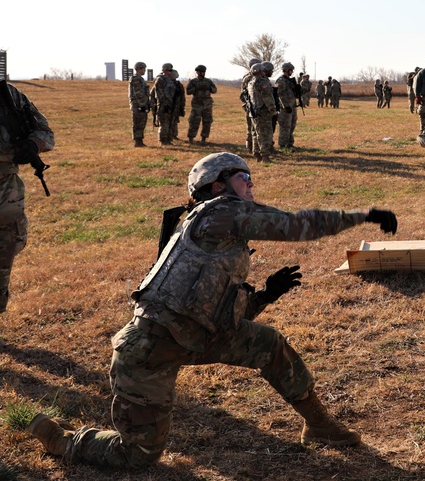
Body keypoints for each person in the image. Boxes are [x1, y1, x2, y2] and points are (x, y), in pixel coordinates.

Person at [26, 152, 398, 468]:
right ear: (218, 186)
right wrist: (363, 215)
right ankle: (64, 441)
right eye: (244, 177)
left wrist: (265, 295)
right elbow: (294, 224)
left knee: (269, 344)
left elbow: (216, 312)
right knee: (138, 455)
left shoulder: (221, 230)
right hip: (150, 350)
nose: (251, 184)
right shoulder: (217, 214)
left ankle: (319, 425)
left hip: (198, 337)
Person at [0, 80, 54, 313]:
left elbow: (44, 131)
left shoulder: (8, 95)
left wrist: (33, 144)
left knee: (5, 249)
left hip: (5, 184)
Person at [250, 62, 277, 162]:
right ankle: (265, 156)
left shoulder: (251, 82)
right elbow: (267, 98)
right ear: (260, 71)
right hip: (263, 112)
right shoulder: (262, 82)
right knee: (265, 134)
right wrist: (273, 110)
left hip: (254, 111)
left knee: (257, 133)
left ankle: (257, 154)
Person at [186, 65, 217, 144]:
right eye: (201, 72)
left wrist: (209, 88)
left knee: (207, 121)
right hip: (197, 104)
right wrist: (196, 88)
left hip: (207, 105)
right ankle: (191, 138)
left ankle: (204, 138)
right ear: (197, 72)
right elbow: (188, 91)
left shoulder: (208, 81)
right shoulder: (193, 81)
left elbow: (214, 90)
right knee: (194, 121)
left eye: (203, 72)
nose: (202, 73)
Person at [274, 62, 299, 151]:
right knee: (285, 125)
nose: (292, 72)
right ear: (287, 70)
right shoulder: (281, 81)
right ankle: (283, 144)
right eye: (290, 70)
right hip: (285, 107)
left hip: (292, 106)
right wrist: (285, 105)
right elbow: (280, 94)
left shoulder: (289, 81)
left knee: (292, 124)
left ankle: (289, 143)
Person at [240, 58, 262, 153]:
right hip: (251, 106)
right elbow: (243, 94)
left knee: (252, 128)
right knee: (251, 128)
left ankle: (251, 147)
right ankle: (251, 147)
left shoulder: (249, 77)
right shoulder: (249, 78)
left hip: (252, 105)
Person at [152, 64, 176, 145]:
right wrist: (163, 103)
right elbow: (159, 93)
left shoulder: (169, 80)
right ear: (165, 70)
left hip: (170, 104)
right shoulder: (160, 79)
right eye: (169, 70)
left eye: (171, 71)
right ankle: (162, 140)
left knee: (169, 122)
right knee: (164, 123)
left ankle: (168, 139)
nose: (170, 72)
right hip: (163, 104)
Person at [129, 62, 150, 148]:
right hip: (138, 105)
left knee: (142, 122)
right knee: (138, 122)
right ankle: (137, 141)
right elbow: (138, 93)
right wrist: (142, 104)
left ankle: (140, 140)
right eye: (143, 68)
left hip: (142, 104)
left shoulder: (140, 79)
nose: (144, 70)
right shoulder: (136, 79)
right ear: (138, 69)